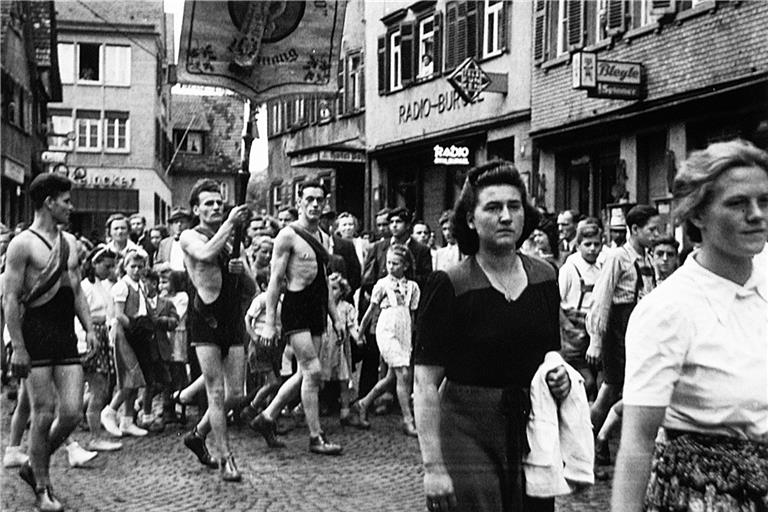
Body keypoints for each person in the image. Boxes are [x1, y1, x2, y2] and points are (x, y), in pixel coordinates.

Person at [613, 139, 768, 511]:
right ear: (697, 215)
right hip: (709, 496)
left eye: (764, 201)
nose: (757, 214)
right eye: (736, 203)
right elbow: (637, 442)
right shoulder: (668, 310)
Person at [413, 161, 571, 512]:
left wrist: (559, 375)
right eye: (493, 207)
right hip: (467, 431)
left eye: (514, 207)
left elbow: (550, 354)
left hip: (530, 428)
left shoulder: (545, 277)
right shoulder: (451, 284)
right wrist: (433, 467)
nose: (506, 217)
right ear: (470, 219)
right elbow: (424, 384)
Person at [3, 173, 98, 511]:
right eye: (66, 201)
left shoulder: (70, 242)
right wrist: (18, 346)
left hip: (64, 334)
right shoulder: (21, 244)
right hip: (34, 335)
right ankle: (42, 486)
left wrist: (89, 328)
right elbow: (11, 299)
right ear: (49, 202)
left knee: (71, 413)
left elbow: (75, 290)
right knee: (42, 414)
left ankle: (33, 462)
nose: (71, 207)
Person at [250, 179, 346, 455]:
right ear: (299, 202)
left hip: (317, 308)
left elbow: (325, 282)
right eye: (309, 199)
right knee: (313, 371)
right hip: (296, 307)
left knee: (306, 372)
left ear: (325, 203)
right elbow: (275, 281)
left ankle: (266, 417)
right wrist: (269, 323)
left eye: (320, 199)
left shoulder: (325, 237)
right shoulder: (287, 236)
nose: (315, 204)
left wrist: (336, 318)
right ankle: (316, 437)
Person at [179, 179, 252, 481]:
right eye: (208, 203)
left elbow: (251, 286)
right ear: (195, 209)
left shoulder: (234, 240)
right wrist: (231, 225)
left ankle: (197, 433)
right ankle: (225, 457)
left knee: (236, 393)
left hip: (231, 317)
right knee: (217, 393)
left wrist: (241, 271)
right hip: (205, 317)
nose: (215, 207)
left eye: (219, 203)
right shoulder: (188, 236)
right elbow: (207, 254)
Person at [585, 204, 662, 461]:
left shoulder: (649, 257)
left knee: (628, 387)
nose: (656, 234)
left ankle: (600, 439)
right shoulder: (618, 257)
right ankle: (585, 440)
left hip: (640, 330)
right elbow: (602, 298)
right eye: (651, 229)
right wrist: (596, 341)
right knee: (610, 387)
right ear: (635, 229)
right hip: (618, 329)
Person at [354, 244, 420, 436]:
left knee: (392, 376)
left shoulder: (413, 287)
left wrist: (413, 338)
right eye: (389, 263)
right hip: (387, 328)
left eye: (396, 263)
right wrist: (360, 332)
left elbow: (413, 316)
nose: (391, 266)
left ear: (405, 266)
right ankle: (408, 420)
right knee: (403, 373)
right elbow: (370, 311)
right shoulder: (382, 284)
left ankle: (363, 403)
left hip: (404, 330)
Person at [102, 249, 152, 439]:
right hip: (125, 333)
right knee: (129, 375)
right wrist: (135, 326)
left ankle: (127, 420)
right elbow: (119, 314)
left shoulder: (140, 285)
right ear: (124, 266)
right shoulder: (121, 287)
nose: (137, 270)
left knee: (136, 378)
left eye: (140, 266)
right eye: (133, 266)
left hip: (137, 334)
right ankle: (110, 411)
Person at [79, 246, 123, 452]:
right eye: (106, 266)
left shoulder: (101, 285)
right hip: (88, 337)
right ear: (94, 264)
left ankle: (95, 434)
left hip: (101, 335)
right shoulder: (85, 287)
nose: (110, 270)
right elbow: (78, 317)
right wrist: (85, 342)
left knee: (101, 389)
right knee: (96, 388)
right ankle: (92, 436)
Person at [558, 223, 603, 401]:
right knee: (585, 381)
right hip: (573, 328)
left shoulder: (601, 268)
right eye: (587, 244)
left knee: (599, 381)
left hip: (593, 328)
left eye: (596, 244)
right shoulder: (570, 268)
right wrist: (568, 327)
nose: (592, 249)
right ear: (578, 246)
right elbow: (555, 302)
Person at [137, 270, 178, 432]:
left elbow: (175, 320)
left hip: (162, 347)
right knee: (149, 382)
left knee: (166, 380)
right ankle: (147, 414)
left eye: (145, 283)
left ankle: (162, 410)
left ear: (154, 284)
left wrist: (162, 321)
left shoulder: (166, 303)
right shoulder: (140, 302)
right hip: (147, 349)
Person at [318, 273, 360, 427]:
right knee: (320, 379)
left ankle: (345, 411)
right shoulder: (322, 307)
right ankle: (321, 405)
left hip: (339, 349)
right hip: (324, 349)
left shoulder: (346, 308)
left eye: (334, 289)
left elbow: (352, 326)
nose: (331, 292)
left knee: (343, 380)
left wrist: (358, 337)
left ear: (342, 291)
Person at [156, 207, 192, 272]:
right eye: (176, 222)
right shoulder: (164, 243)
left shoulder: (194, 241)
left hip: (188, 278)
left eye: (182, 222)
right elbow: (156, 265)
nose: (179, 225)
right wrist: (163, 266)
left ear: (188, 224)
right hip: (170, 278)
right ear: (171, 225)